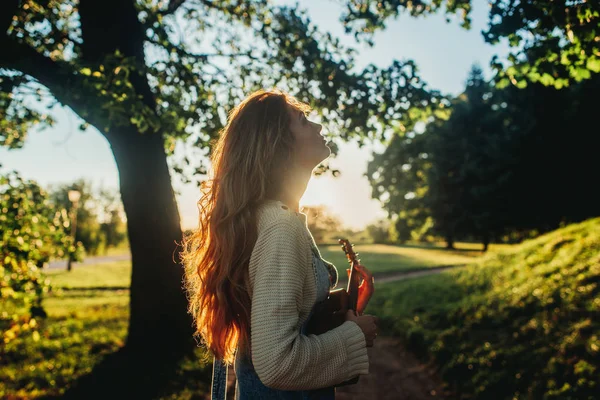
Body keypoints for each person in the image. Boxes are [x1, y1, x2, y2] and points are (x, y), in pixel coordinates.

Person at [181, 89, 380, 399]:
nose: (318, 127)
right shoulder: (280, 227)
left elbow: (281, 319)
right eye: (302, 120)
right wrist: (355, 334)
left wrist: (342, 312)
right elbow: (277, 364)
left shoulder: (268, 218)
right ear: (277, 143)